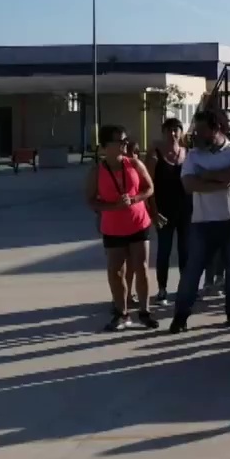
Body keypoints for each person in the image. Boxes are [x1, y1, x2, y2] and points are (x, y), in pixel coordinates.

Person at [170, 109, 230, 332]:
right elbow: (188, 185)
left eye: (202, 130)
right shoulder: (194, 156)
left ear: (217, 129)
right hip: (203, 221)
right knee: (193, 270)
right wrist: (218, 181)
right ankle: (181, 316)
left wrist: (204, 176)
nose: (197, 134)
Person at [86, 124, 157, 331]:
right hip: (113, 228)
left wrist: (135, 198)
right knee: (116, 271)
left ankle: (144, 311)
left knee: (141, 267)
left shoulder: (134, 164)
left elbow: (150, 188)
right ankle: (121, 313)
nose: (125, 144)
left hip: (139, 223)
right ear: (106, 146)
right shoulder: (96, 172)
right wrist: (112, 206)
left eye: (126, 140)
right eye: (120, 141)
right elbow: (91, 201)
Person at [146, 117, 192, 308]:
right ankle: (162, 290)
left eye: (176, 130)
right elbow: (149, 187)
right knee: (164, 252)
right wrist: (154, 212)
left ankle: (185, 288)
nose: (173, 134)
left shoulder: (188, 153)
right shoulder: (155, 155)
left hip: (186, 212)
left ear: (181, 132)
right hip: (164, 212)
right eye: (169, 130)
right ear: (163, 133)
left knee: (186, 252)